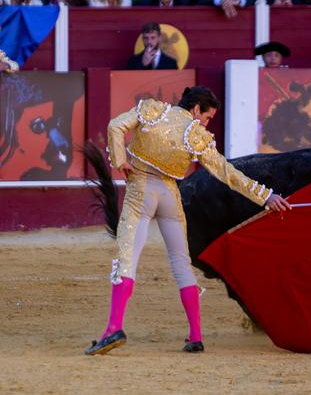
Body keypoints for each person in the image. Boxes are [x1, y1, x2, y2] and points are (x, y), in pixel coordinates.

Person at [84, 86, 291, 355]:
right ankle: (195, 335)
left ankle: (113, 328)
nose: (204, 124)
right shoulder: (196, 135)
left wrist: (121, 161)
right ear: (196, 108)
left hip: (141, 191)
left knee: (127, 258)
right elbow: (227, 172)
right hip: (171, 195)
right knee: (181, 263)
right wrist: (266, 196)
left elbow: (115, 126)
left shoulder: (153, 110)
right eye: (206, 118)